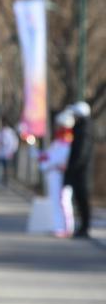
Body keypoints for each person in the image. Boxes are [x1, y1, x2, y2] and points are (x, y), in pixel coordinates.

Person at [39, 110, 75, 237]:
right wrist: (43, 158)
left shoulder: (70, 142)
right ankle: (59, 226)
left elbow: (65, 159)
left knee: (64, 201)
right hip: (53, 174)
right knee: (56, 201)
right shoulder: (57, 142)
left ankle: (67, 227)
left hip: (62, 174)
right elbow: (48, 157)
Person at [65, 101, 93, 238]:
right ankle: (82, 226)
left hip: (82, 173)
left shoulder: (84, 130)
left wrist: (73, 168)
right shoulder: (80, 128)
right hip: (79, 172)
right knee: (79, 200)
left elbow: (81, 153)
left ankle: (85, 227)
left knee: (83, 200)